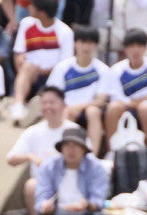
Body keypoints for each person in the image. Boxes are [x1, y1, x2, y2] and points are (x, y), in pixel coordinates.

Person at [6, 85, 78, 215]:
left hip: (71, 180)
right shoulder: (33, 132)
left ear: (63, 105)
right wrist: (30, 156)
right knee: (31, 185)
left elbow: (88, 159)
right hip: (43, 184)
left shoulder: (74, 130)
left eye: (52, 103)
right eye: (44, 103)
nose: (48, 107)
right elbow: (11, 158)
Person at [105, 28, 147, 173]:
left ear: (145, 48)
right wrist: (141, 100)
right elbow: (116, 99)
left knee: (146, 109)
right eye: (131, 46)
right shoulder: (116, 70)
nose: (135, 50)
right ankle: (112, 153)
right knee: (113, 108)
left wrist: (137, 103)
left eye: (139, 46)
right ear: (125, 49)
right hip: (125, 114)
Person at [45, 24, 109, 154]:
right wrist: (68, 108)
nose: (86, 47)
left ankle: (93, 156)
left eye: (90, 43)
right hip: (67, 109)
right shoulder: (63, 67)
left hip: (90, 109)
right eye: (82, 42)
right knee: (65, 113)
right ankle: (59, 155)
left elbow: (101, 100)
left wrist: (79, 106)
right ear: (75, 44)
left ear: (95, 45)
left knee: (93, 112)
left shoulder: (103, 70)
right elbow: (52, 94)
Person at [10, 0, 74, 126]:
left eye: (33, 6)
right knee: (28, 67)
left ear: (42, 13)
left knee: (31, 69)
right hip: (29, 73)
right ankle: (18, 104)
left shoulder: (65, 32)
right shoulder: (26, 24)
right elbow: (18, 52)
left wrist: (44, 71)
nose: (29, 7)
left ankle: (40, 106)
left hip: (53, 77)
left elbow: (65, 65)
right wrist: (20, 63)